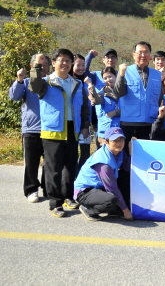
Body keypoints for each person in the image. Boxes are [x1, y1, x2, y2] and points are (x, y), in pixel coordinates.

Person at [29, 49, 90, 217]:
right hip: (53, 130)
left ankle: (68, 197)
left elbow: (84, 108)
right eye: (61, 60)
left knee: (71, 166)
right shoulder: (45, 82)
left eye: (68, 61)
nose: (65, 63)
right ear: (54, 63)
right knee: (53, 168)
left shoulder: (77, 84)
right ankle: (55, 202)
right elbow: (33, 86)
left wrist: (85, 126)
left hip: (73, 129)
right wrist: (36, 66)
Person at [9, 53, 49, 202]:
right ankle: (31, 190)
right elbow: (14, 97)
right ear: (32, 67)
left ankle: (47, 187)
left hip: (50, 129)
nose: (43, 67)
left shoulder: (51, 81)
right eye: (39, 65)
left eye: (45, 65)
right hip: (31, 129)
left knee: (50, 162)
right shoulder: (25, 82)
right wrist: (19, 80)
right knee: (31, 163)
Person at [74, 127, 133, 221]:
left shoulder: (119, 152)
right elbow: (112, 188)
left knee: (127, 176)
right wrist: (126, 211)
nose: (119, 143)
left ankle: (115, 209)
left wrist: (130, 153)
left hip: (100, 187)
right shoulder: (103, 163)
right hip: (85, 191)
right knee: (110, 200)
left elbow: (127, 168)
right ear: (106, 142)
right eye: (115, 140)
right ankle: (89, 210)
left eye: (121, 139)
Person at [114, 41, 162, 144]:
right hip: (129, 122)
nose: (143, 55)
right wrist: (121, 75)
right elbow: (118, 93)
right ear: (133, 54)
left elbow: (159, 98)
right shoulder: (125, 71)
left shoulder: (157, 75)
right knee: (128, 155)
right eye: (140, 52)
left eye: (146, 52)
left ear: (150, 56)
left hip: (150, 122)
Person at [85, 67, 120, 145]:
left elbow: (129, 109)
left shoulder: (124, 92)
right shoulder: (102, 93)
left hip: (120, 132)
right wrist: (90, 86)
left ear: (116, 76)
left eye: (110, 76)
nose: (108, 79)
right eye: (105, 78)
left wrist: (115, 112)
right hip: (105, 132)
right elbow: (96, 100)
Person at [71, 54, 92, 172]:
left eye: (83, 65)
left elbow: (86, 106)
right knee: (72, 155)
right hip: (71, 125)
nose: (81, 68)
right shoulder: (68, 81)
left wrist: (86, 125)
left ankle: (81, 180)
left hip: (84, 123)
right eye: (78, 65)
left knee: (85, 155)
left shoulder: (87, 80)